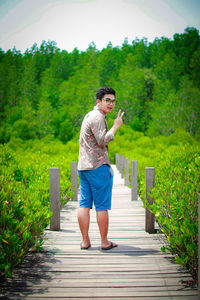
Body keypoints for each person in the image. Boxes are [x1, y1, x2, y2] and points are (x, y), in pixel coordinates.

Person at [77, 86, 124, 250]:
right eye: (107, 101)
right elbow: (102, 140)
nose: (111, 104)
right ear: (99, 101)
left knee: (84, 204)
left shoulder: (89, 115)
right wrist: (116, 126)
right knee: (102, 205)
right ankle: (104, 242)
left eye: (113, 101)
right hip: (97, 167)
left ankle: (85, 241)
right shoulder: (98, 117)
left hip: (83, 167)